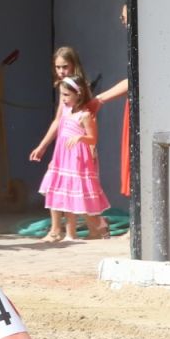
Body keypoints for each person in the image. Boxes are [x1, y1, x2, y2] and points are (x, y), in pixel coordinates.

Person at [37, 76, 110, 242]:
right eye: (61, 94)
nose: (63, 99)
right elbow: (61, 135)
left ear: (78, 94)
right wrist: (54, 158)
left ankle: (99, 226)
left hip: (77, 159)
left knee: (78, 195)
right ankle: (71, 234)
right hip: (63, 157)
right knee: (65, 194)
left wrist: (80, 138)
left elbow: (93, 138)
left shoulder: (85, 115)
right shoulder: (65, 111)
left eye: (66, 95)